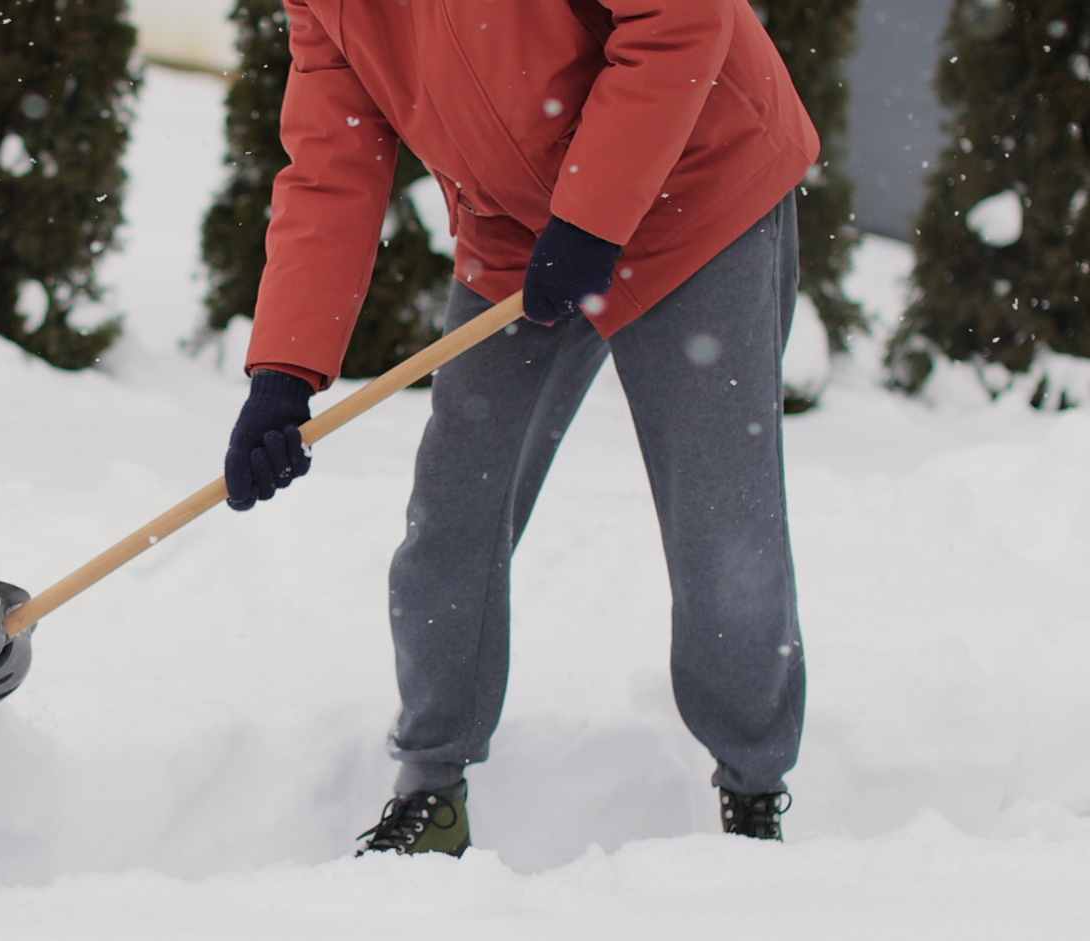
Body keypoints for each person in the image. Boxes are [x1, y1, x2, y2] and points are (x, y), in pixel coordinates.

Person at [224, 0, 815, 854]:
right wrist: (282, 373)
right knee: (454, 511)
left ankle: (754, 788)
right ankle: (433, 785)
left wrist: (593, 211)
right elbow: (334, 161)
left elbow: (678, 20)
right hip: (522, 234)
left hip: (698, 189)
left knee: (721, 520)